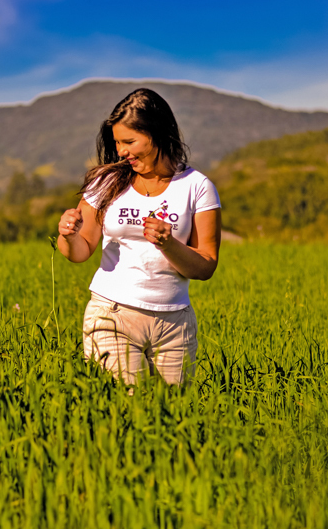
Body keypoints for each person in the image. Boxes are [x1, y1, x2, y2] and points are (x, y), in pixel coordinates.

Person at [57, 88, 222, 385]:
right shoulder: (107, 182)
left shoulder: (197, 186)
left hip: (175, 324)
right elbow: (80, 251)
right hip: (112, 315)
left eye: (129, 141)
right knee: (126, 409)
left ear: (157, 133)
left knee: (172, 419)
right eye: (117, 142)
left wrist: (168, 244)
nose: (121, 151)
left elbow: (206, 265)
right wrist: (68, 235)